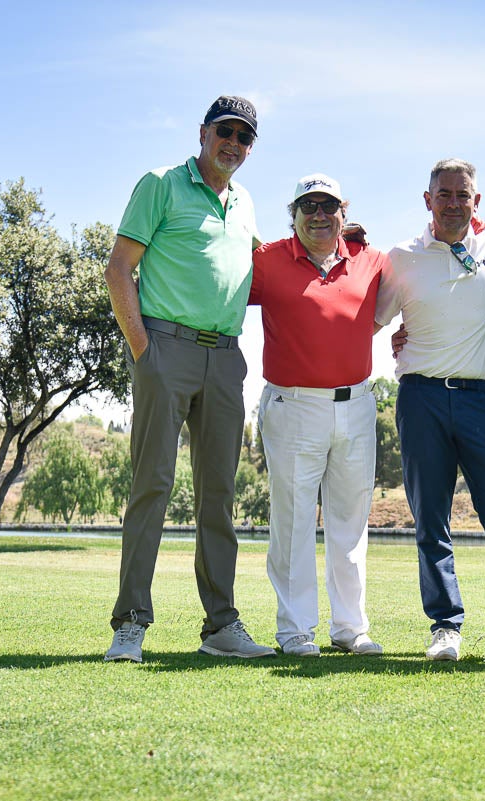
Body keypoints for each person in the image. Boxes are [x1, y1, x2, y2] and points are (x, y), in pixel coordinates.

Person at [102, 95, 275, 663]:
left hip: (226, 358)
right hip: (164, 350)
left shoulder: (245, 201)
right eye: (225, 132)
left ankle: (221, 625)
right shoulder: (161, 184)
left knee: (219, 495)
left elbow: (263, 268)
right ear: (203, 132)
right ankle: (130, 623)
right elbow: (120, 267)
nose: (234, 144)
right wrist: (143, 349)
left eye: (245, 138)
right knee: (152, 484)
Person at [374, 159, 485, 664]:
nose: (452, 203)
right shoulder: (402, 257)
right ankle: (446, 626)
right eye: (443, 194)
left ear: (477, 201)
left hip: (478, 398)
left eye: (462, 195)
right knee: (431, 519)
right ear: (428, 201)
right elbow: (368, 316)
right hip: (419, 397)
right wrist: (351, 244)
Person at [250, 174, 390, 657]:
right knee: (292, 523)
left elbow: (430, 276)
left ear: (343, 213)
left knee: (350, 523)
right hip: (293, 406)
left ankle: (350, 627)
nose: (318, 214)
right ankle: (295, 631)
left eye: (328, 206)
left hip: (356, 405)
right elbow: (216, 280)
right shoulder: (267, 260)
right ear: (293, 214)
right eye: (307, 206)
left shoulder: (371, 262)